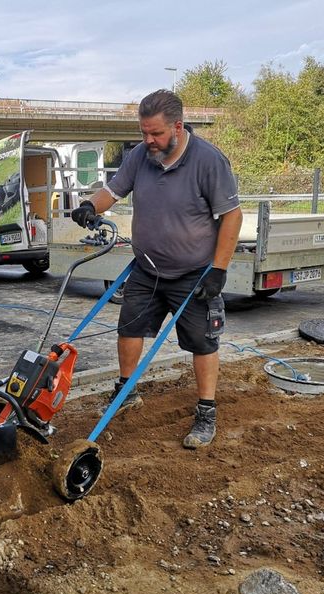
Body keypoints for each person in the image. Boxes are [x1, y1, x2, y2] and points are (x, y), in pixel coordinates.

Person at [71, 89, 243, 448]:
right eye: (144, 132)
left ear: (177, 128)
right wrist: (90, 205)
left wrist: (219, 269)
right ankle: (126, 390)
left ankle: (206, 412)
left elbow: (231, 215)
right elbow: (113, 192)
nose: (148, 140)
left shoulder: (208, 161)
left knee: (203, 343)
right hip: (146, 269)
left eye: (156, 134)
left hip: (194, 273)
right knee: (129, 329)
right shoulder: (139, 156)